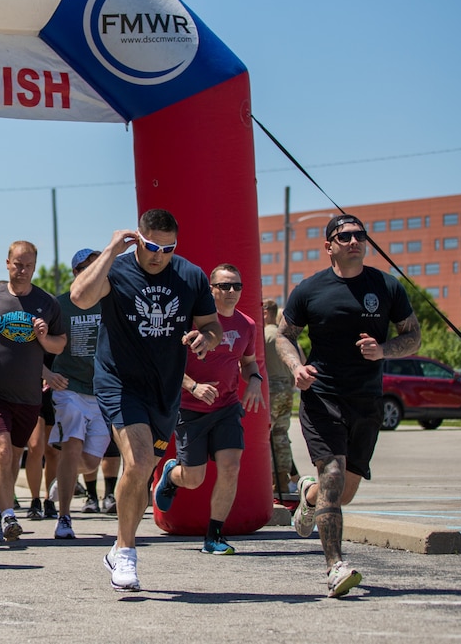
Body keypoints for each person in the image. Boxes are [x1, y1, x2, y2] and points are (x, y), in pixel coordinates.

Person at [70, 209, 222, 591]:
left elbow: (211, 325)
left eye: (167, 248)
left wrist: (208, 339)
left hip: (165, 390)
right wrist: (108, 251)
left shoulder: (190, 276)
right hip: (120, 382)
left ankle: (120, 546)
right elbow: (80, 297)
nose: (159, 255)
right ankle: (125, 551)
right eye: (152, 246)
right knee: (136, 462)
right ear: (138, 238)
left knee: (141, 474)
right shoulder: (117, 270)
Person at [274, 214, 420, 598]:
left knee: (343, 489)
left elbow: (414, 336)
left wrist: (384, 350)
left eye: (359, 235)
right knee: (334, 475)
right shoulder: (310, 290)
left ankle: (307, 496)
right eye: (345, 236)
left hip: (366, 399)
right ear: (329, 246)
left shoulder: (386, 287)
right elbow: (283, 337)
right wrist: (295, 367)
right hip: (322, 395)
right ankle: (335, 567)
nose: (354, 241)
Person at [152, 263, 266, 555]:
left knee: (231, 467)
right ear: (210, 289)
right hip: (190, 409)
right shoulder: (190, 322)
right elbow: (168, 366)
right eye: (224, 286)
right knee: (194, 479)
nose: (231, 292)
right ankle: (172, 474)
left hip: (226, 407)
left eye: (237, 286)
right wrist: (194, 387)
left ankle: (213, 536)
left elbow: (248, 362)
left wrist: (254, 379)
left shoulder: (248, 325)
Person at [0, 241, 66, 542]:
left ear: (34, 266)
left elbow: (60, 344)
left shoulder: (47, 303)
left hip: (29, 396)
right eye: (17, 264)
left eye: (28, 265)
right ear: (7, 263)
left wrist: (45, 338)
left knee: (13, 457)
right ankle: (8, 516)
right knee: (2, 449)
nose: (22, 270)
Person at [46, 249, 108, 540]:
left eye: (98, 265)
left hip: (104, 391)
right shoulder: (59, 305)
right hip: (69, 389)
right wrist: (46, 374)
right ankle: (65, 518)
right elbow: (37, 343)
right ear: (75, 272)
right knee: (71, 446)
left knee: (91, 462)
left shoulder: (113, 301)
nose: (93, 270)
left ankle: (65, 479)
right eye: (87, 266)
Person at [263, 299, 299, 498]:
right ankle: (283, 482)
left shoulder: (264, 336)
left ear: (266, 312)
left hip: (272, 389)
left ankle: (270, 482)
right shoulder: (285, 336)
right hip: (287, 388)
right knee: (281, 436)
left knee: (265, 437)